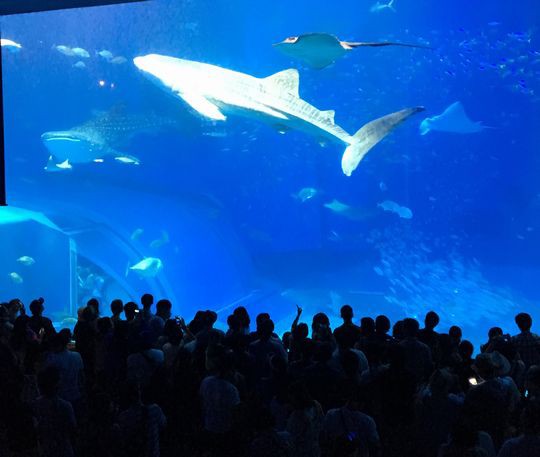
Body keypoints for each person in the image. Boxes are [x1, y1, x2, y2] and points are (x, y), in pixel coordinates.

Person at [33, 366, 77, 457]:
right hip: (64, 449)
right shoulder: (66, 406)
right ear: (57, 383)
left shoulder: (36, 405)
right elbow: (72, 429)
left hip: (45, 449)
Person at [117, 382, 167, 457]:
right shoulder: (155, 410)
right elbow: (164, 425)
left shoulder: (123, 417)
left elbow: (122, 441)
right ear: (140, 392)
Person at [45, 329, 85, 409]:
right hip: (76, 394)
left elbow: (49, 380)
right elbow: (82, 377)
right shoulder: (77, 355)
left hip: (60, 396)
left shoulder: (52, 359)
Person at [286, 382, 324, 457]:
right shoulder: (316, 405)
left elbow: (292, 439)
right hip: (316, 449)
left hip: (303, 452)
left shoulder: (296, 416)